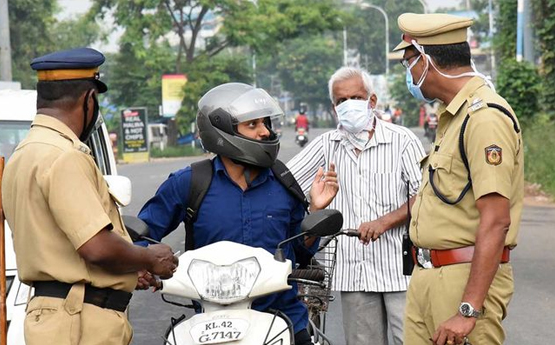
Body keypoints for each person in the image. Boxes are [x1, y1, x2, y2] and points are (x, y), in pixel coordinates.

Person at [138, 82, 339, 345]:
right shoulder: (190, 182)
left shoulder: (283, 183)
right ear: (221, 132)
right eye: (252, 125)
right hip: (211, 323)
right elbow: (143, 231)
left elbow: (298, 252)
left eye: (265, 123)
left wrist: (315, 211)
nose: (265, 132)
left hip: (281, 318)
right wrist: (142, 263)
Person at [1, 48, 178, 345]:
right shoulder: (65, 157)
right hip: (81, 322)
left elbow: (59, 246)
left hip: (54, 317)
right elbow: (95, 247)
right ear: (89, 100)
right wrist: (149, 256)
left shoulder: (24, 153)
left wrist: (132, 267)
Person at [393, 13, 524, 345]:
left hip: (462, 280)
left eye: (408, 62)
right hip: (428, 276)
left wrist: (469, 309)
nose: (407, 74)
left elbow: (496, 221)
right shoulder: (453, 116)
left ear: (426, 61)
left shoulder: (484, 119)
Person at [287, 66, 425, 345]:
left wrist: (384, 221)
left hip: (402, 270)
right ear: (334, 107)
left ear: (371, 102)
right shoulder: (327, 145)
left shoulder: (402, 141)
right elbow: (284, 183)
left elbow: (425, 196)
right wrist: (313, 207)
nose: (349, 105)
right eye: (342, 101)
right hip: (353, 271)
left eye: (356, 98)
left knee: (412, 340)